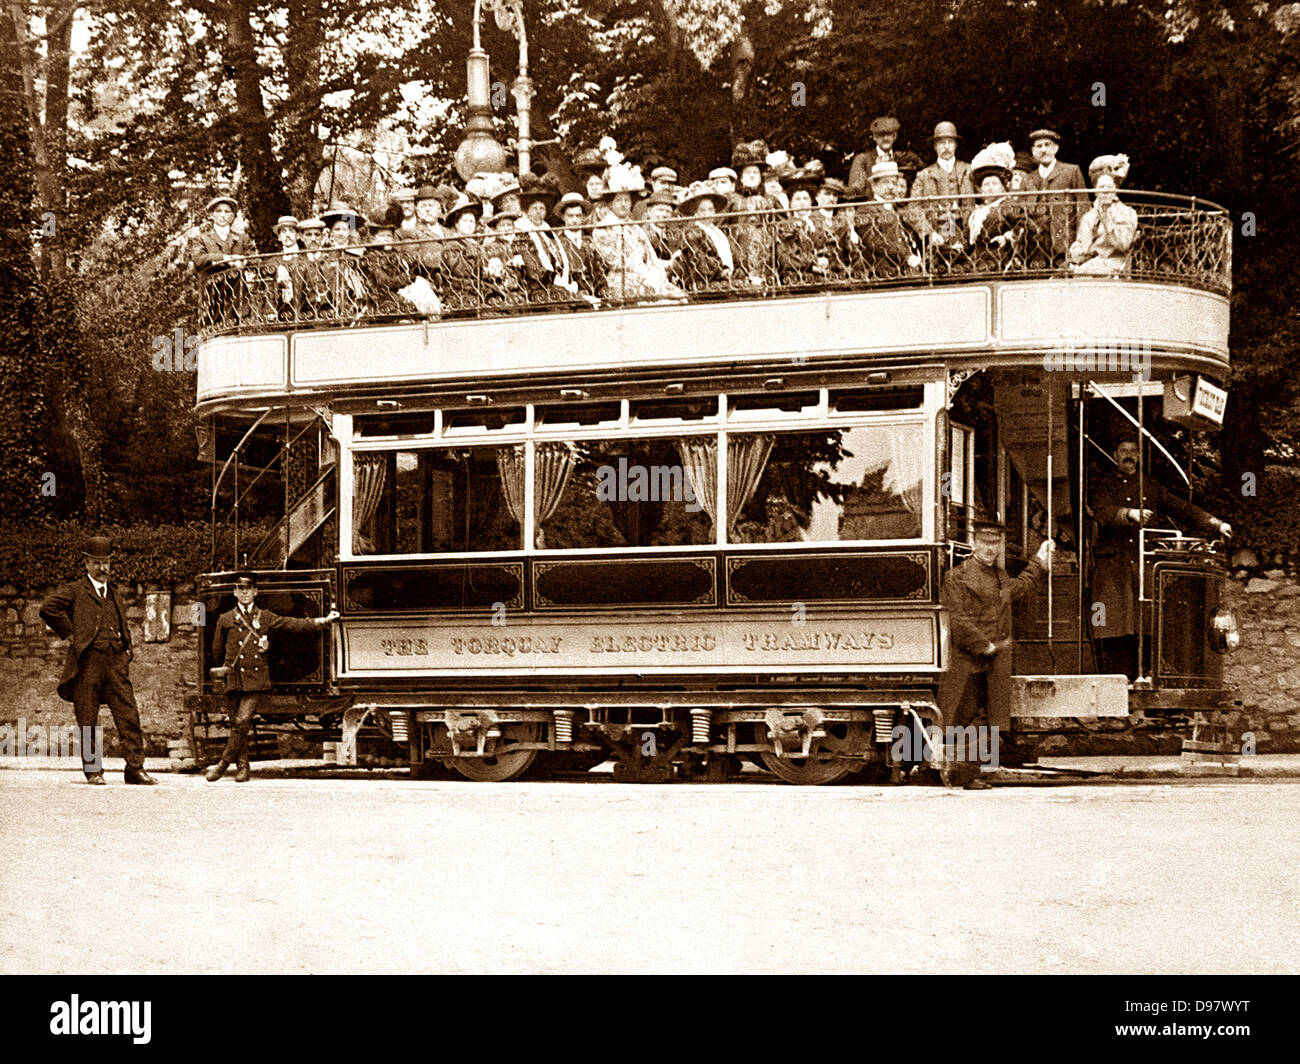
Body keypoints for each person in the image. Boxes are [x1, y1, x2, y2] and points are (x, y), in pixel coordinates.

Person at [1088, 437, 1231, 680]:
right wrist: (1128, 514)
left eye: (1134, 451)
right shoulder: (1102, 485)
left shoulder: (1150, 486)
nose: (1129, 455)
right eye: (1124, 450)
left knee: (1147, 625)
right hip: (1114, 569)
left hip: (1145, 567)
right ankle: (1116, 688)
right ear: (1115, 453)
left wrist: (1216, 524)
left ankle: (1146, 680)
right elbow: (1102, 511)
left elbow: (1181, 508)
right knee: (1113, 628)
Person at [939, 521, 1055, 788]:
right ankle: (958, 773)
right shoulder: (957, 577)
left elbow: (1017, 588)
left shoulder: (998, 575)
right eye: (985, 543)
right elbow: (956, 620)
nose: (990, 549)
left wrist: (1038, 562)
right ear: (975, 544)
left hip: (991, 661)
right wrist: (984, 645)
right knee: (965, 715)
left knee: (984, 717)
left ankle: (966, 773)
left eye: (995, 544)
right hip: (970, 659)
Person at [39, 535, 156, 785]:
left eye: (106, 563)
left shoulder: (114, 593)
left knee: (129, 714)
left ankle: (135, 769)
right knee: (88, 719)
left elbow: (122, 624)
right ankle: (93, 771)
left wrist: (127, 649)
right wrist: (71, 634)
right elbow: (47, 608)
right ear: (87, 564)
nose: (103, 568)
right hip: (87, 664)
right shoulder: (75, 590)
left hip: (115, 664)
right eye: (97, 563)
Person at [206, 573, 337, 782]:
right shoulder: (225, 619)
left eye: (248, 589)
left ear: (256, 592)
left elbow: (293, 624)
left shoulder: (264, 616)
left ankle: (222, 766)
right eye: (240, 589)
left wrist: (322, 621)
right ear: (234, 592)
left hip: (255, 679)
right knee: (237, 725)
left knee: (242, 720)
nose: (245, 593)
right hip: (232, 679)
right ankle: (243, 768)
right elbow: (216, 650)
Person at [590, 164, 686, 303]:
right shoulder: (603, 228)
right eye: (619, 200)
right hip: (620, 281)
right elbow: (615, 263)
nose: (623, 204)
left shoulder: (635, 228)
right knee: (658, 300)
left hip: (644, 277)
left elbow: (651, 259)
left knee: (681, 298)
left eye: (627, 200)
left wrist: (669, 264)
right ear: (610, 204)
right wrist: (648, 275)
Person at [1023, 127, 1087, 264]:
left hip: (1064, 241)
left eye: (1048, 145)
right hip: (1036, 247)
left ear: (1056, 148)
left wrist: (1081, 240)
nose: (1044, 150)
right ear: (1033, 151)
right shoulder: (1028, 178)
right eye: (1039, 146)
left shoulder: (1071, 171)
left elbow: (1083, 207)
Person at [910, 122, 974, 257]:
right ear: (935, 146)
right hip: (936, 235)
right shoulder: (924, 175)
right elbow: (913, 208)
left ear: (956, 145)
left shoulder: (968, 171)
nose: (946, 147)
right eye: (941, 143)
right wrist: (928, 233)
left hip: (965, 233)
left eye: (950, 142)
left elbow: (989, 196)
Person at [189, 194, 254, 325]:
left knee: (237, 332)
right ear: (211, 215)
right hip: (212, 295)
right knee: (213, 333)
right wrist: (225, 259)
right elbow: (198, 259)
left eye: (227, 211)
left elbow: (254, 260)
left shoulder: (242, 238)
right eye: (218, 211)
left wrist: (244, 261)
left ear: (233, 216)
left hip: (237, 298)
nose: (223, 215)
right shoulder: (202, 238)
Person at [852, 160, 925, 277]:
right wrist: (906, 256)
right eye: (885, 182)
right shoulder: (866, 210)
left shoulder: (896, 209)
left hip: (903, 270)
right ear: (874, 186)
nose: (891, 187)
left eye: (894, 183)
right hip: (879, 271)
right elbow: (874, 242)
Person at [1069, 155, 1138, 275]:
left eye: (1109, 187)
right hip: (1089, 264)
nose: (1105, 191)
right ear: (1095, 191)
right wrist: (1077, 251)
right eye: (1101, 187)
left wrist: (1107, 222)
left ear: (1115, 189)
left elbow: (1123, 244)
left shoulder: (1127, 213)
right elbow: (1081, 244)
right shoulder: (1089, 216)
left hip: (1115, 264)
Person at [675, 181, 741, 293]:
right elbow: (699, 260)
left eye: (710, 209)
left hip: (726, 278)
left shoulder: (718, 231)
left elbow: (733, 256)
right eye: (702, 210)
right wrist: (721, 271)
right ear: (695, 213)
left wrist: (735, 271)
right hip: (704, 282)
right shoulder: (692, 232)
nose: (707, 213)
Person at [967, 144, 1024, 271]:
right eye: (986, 184)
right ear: (981, 190)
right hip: (979, 262)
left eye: (994, 183)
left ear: (1003, 187)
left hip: (1001, 259)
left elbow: (1022, 224)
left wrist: (1007, 236)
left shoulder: (1008, 205)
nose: (990, 187)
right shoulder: (978, 211)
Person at [553, 191, 605, 302]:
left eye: (578, 215)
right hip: (572, 298)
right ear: (563, 217)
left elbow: (599, 272)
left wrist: (602, 294)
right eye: (570, 216)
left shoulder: (589, 241)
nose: (575, 220)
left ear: (583, 217)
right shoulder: (557, 244)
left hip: (595, 295)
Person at [848, 115, 901, 191]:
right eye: (881, 135)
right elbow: (856, 190)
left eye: (889, 134)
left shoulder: (901, 159)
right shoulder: (863, 160)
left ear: (895, 136)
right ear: (874, 137)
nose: (885, 138)